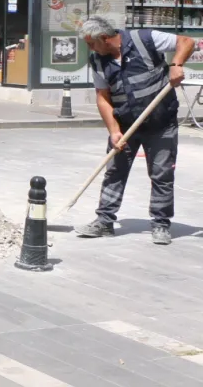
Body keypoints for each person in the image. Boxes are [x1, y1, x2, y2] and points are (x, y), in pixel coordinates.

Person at [75, 16, 194, 246]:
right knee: (114, 171)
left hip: (161, 123)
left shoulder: (145, 39)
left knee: (161, 174)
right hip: (125, 125)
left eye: (91, 43)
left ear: (104, 38)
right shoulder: (98, 60)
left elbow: (186, 41)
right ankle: (104, 221)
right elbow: (103, 97)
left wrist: (177, 65)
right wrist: (114, 131)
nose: (90, 49)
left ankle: (160, 224)